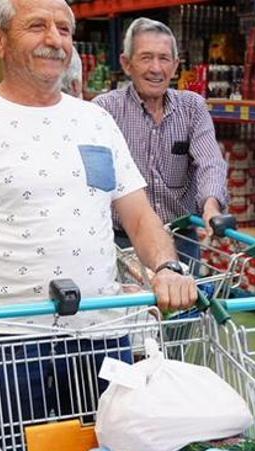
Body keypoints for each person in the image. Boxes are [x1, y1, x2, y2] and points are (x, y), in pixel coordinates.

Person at [0, 0, 197, 451]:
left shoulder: (95, 121)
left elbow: (138, 214)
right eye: (37, 26)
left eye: (64, 29)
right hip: (12, 343)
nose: (55, 40)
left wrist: (166, 267)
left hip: (102, 337)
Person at [94, 18, 229, 269]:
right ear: (126, 64)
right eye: (146, 58)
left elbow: (210, 162)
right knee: (129, 309)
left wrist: (211, 206)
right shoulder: (105, 109)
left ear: (176, 66)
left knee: (186, 306)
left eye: (164, 58)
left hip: (180, 240)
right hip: (122, 242)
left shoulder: (192, 108)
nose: (156, 68)